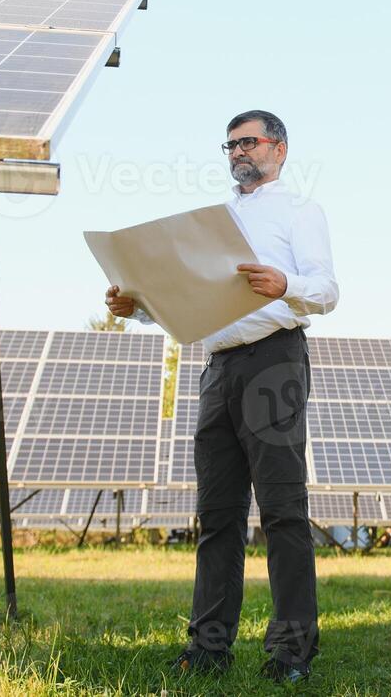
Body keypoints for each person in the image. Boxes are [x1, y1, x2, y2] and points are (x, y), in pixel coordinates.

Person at [105, 109, 338, 684]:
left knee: (282, 513)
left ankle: (291, 653)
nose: (239, 152)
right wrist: (137, 310)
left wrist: (287, 285)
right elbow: (187, 304)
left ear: (279, 149)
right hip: (216, 369)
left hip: (274, 361)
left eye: (249, 142)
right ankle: (208, 647)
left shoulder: (300, 212)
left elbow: (328, 290)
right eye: (230, 145)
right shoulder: (212, 222)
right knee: (217, 516)